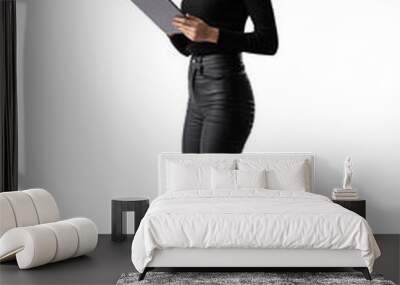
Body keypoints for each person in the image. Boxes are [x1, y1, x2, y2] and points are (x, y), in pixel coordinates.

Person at [168, 0, 278, 153]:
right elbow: (188, 48)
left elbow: (268, 42)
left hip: (225, 93)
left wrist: (211, 34)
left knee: (216, 174)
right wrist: (172, 30)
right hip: (195, 92)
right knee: (190, 172)